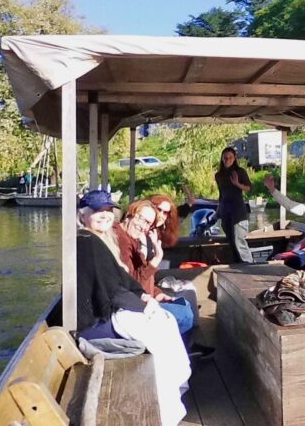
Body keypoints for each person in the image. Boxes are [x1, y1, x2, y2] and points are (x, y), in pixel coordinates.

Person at [76, 189, 190, 426]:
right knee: (161, 330)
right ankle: (166, 407)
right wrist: (142, 304)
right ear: (83, 214)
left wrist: (146, 298)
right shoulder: (87, 242)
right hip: (94, 325)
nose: (105, 215)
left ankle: (171, 395)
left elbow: (124, 281)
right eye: (97, 211)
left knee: (165, 322)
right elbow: (111, 290)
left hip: (111, 312)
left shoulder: (101, 239)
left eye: (108, 210)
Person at [114, 200, 195, 337]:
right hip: (132, 306)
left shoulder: (135, 238)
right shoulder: (121, 240)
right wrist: (155, 261)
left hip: (146, 297)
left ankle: (184, 347)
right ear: (130, 213)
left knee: (184, 304)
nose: (142, 226)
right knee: (184, 314)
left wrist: (157, 293)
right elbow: (131, 283)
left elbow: (143, 278)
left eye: (147, 223)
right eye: (141, 219)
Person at [214, 147, 253, 262]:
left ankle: (249, 266)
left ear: (234, 158)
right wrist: (218, 211)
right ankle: (238, 265)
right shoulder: (218, 175)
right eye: (225, 158)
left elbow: (249, 188)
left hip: (238, 211)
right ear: (222, 159)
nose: (227, 160)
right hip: (226, 211)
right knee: (231, 241)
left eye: (230, 158)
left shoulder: (240, 172)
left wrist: (237, 184)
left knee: (239, 240)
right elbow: (221, 194)